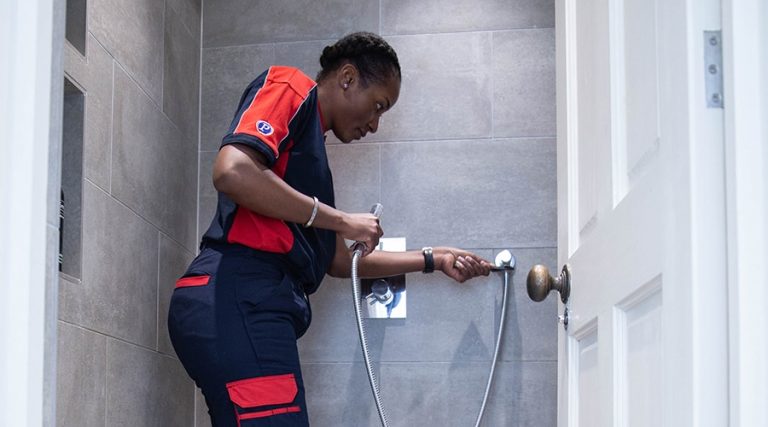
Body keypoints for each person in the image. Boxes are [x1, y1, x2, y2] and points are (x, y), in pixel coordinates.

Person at [167, 31, 492, 426]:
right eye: (377, 106)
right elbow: (232, 170)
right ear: (348, 77)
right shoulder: (291, 87)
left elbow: (340, 262)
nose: (374, 124)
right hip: (236, 293)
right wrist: (339, 218)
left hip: (250, 304)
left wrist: (432, 258)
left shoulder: (310, 166)